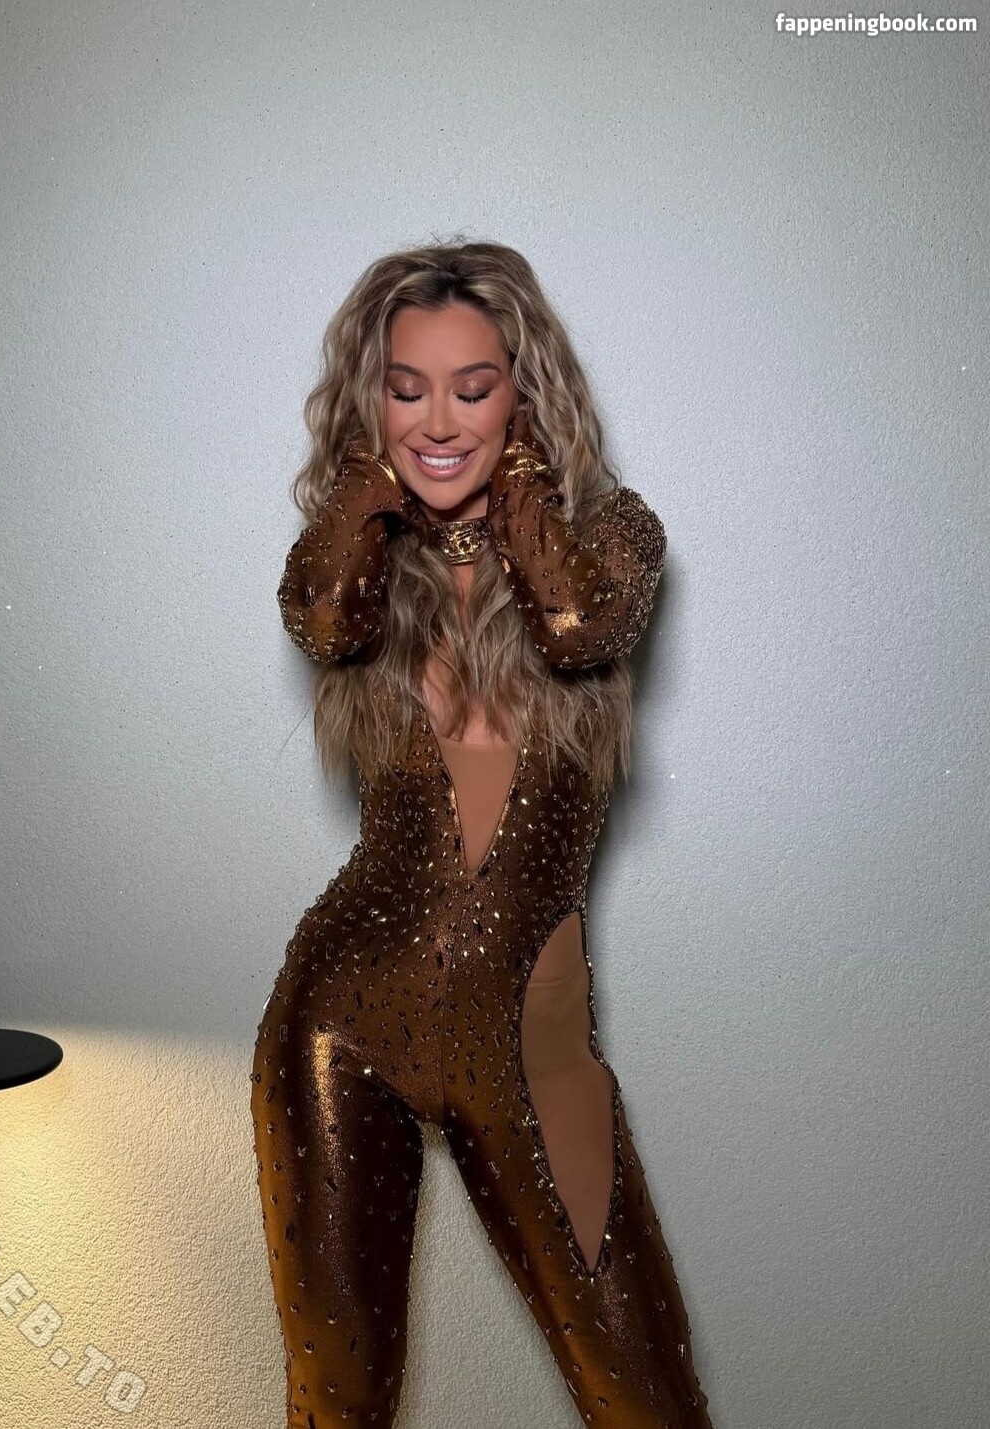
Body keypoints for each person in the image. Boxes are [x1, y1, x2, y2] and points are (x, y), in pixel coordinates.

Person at [250, 239, 714, 1428]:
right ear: (370, 400)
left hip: (531, 1042)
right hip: (341, 1020)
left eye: (474, 384)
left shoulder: (615, 536)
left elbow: (577, 626)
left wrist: (519, 492)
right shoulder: (359, 556)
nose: (439, 419)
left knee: (649, 1399)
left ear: (523, 392)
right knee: (336, 1404)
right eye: (406, 388)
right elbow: (318, 618)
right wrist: (369, 486)